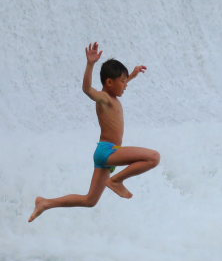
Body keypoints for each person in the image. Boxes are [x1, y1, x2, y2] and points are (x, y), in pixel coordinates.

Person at [29, 43, 160, 222]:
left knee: (89, 200)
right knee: (153, 157)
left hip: (104, 154)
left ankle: (45, 203)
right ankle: (116, 181)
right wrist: (90, 64)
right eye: (123, 81)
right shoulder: (104, 98)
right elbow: (87, 90)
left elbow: (118, 85)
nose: (125, 85)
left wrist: (132, 76)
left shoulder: (112, 95)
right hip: (108, 151)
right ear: (109, 82)